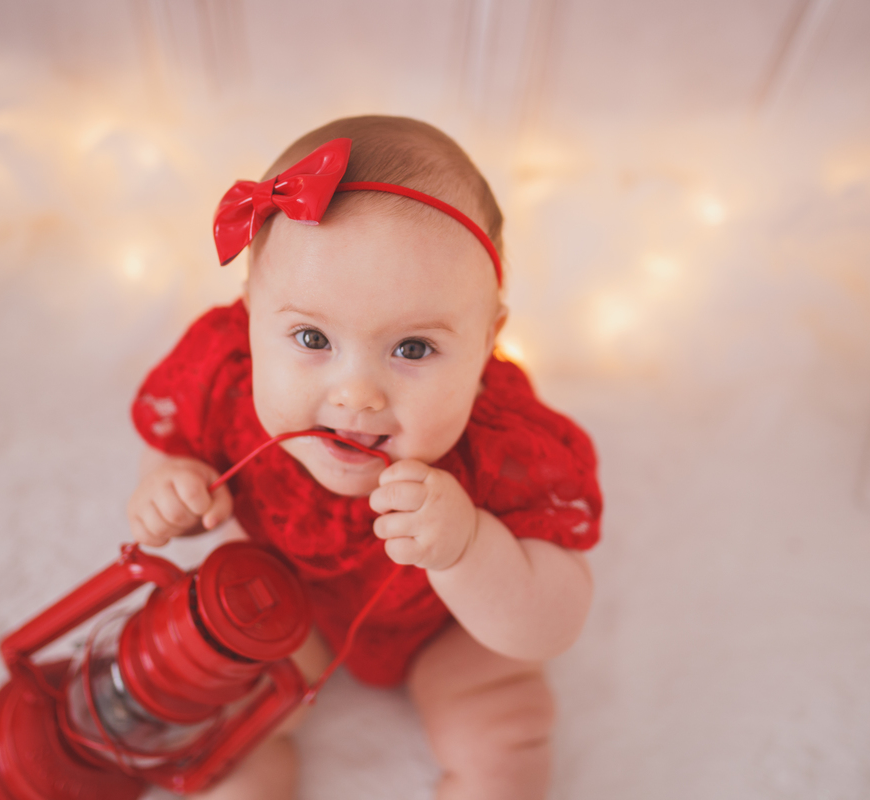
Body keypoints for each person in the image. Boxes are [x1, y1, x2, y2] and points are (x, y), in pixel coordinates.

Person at [127, 115, 601, 800]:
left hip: (450, 636)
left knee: (503, 725)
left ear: (487, 339)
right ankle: (246, 779)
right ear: (251, 310)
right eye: (312, 338)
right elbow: (172, 435)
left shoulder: (505, 445)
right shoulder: (226, 376)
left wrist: (467, 547)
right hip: (291, 603)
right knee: (230, 698)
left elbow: (554, 622)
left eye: (413, 349)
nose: (355, 395)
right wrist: (172, 485)